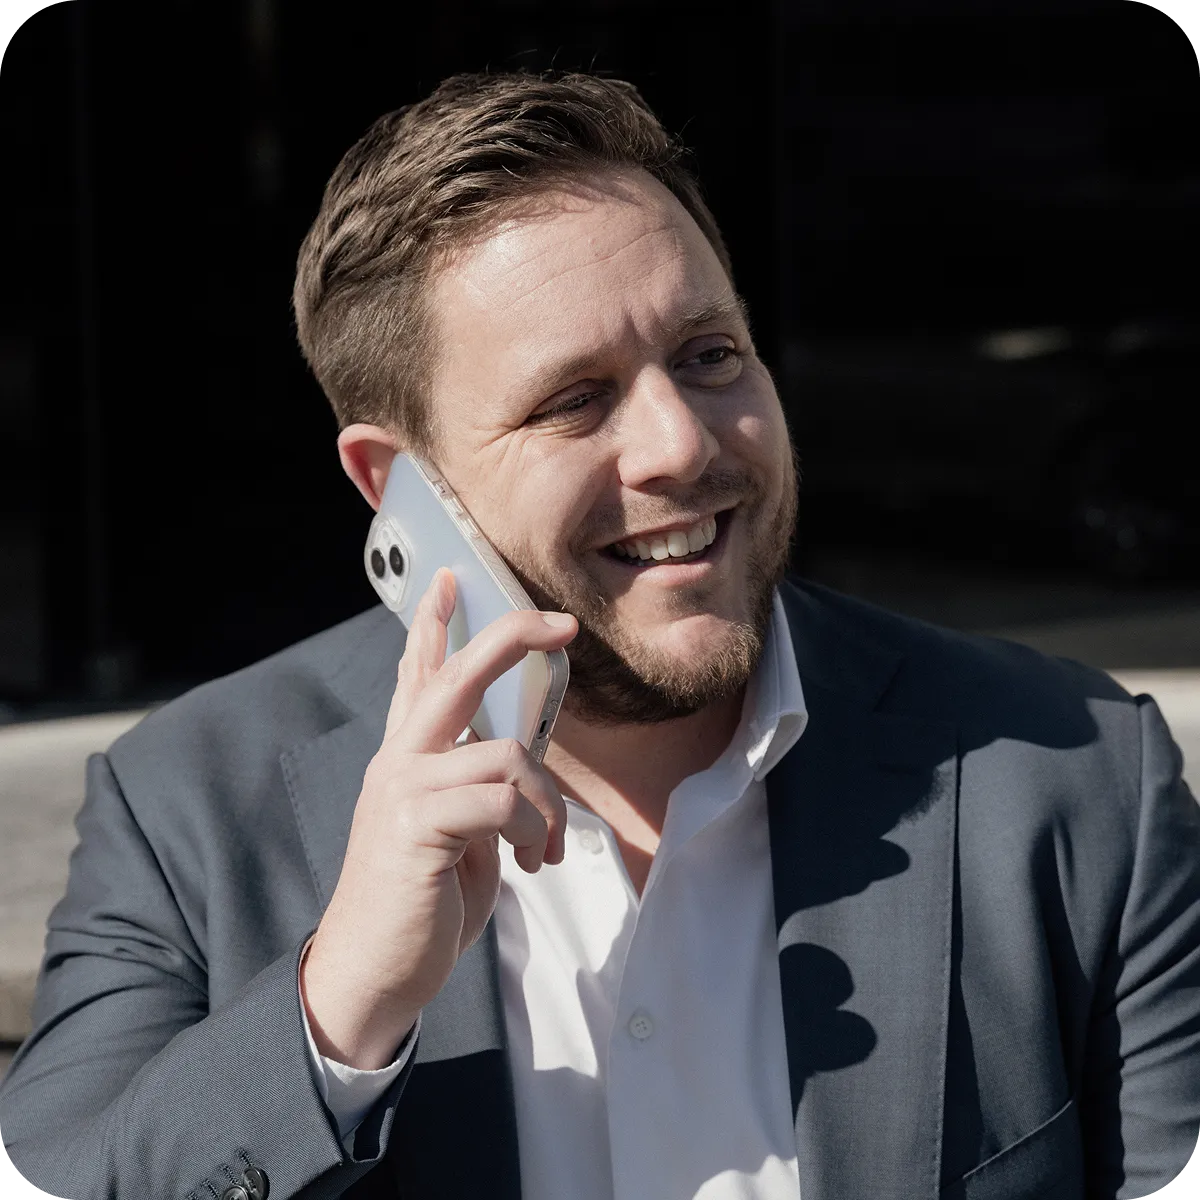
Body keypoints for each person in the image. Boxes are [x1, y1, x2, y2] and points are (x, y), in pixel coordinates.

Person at [1, 70, 1198, 1200]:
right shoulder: (188, 812)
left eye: (708, 354)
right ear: (400, 489)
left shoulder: (1078, 781)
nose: (682, 443)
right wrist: (340, 1006)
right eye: (576, 399)